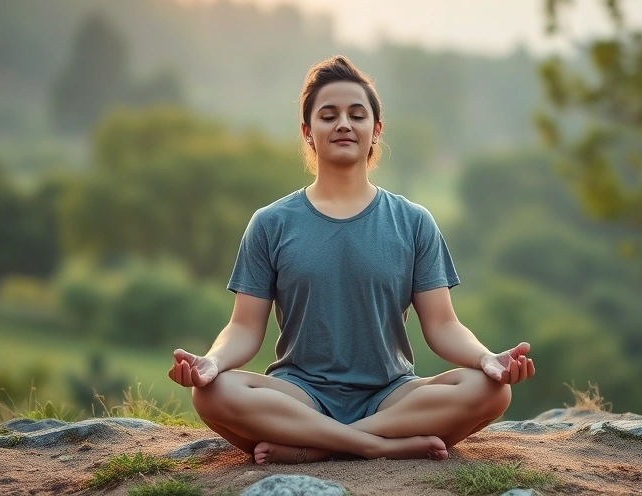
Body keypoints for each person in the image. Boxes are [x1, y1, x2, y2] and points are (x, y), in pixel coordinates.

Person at [168, 55, 535, 465]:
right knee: (212, 393)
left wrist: (486, 358)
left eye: (357, 115)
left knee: (492, 390)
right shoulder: (270, 223)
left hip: (391, 395)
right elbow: (244, 327)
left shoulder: (413, 222)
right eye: (328, 116)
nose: (343, 124)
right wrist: (212, 362)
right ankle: (377, 445)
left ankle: (318, 445)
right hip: (299, 394)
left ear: (375, 130)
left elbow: (443, 325)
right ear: (308, 132)